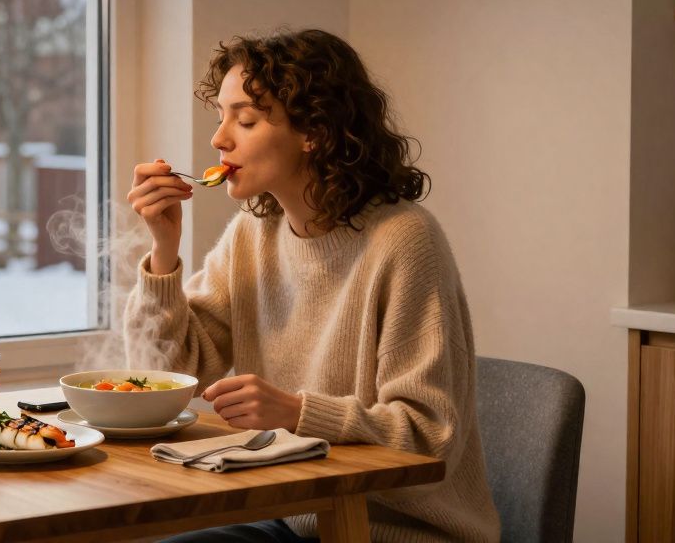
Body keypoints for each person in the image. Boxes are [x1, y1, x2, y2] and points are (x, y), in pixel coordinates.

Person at [124, 29, 500, 542]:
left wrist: (298, 413)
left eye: (247, 119)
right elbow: (164, 375)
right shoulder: (253, 236)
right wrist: (164, 250)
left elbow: (430, 436)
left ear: (315, 132)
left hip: (398, 532)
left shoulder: (405, 241)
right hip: (296, 517)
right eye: (221, 117)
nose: (219, 139)